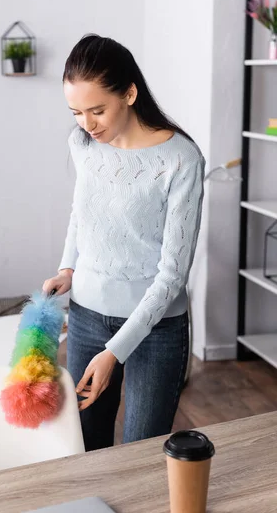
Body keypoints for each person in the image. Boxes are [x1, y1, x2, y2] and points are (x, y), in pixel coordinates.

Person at [43, 34, 205, 451]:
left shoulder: (180, 160)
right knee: (88, 447)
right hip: (85, 317)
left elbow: (172, 277)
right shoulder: (82, 145)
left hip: (158, 327)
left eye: (98, 110)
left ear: (130, 93)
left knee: (142, 454)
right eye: (76, 112)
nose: (87, 123)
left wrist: (113, 352)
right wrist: (67, 268)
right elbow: (83, 211)